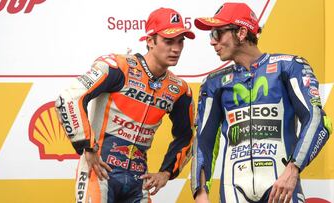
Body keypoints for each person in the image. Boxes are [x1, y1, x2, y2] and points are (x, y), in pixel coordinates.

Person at [191, 2, 332, 203]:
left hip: (280, 187)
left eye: (217, 33)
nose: (213, 41)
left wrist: (293, 169)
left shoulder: (289, 67)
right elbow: (204, 140)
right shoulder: (214, 83)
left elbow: (318, 120)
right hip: (233, 190)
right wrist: (200, 192)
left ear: (241, 32)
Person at [56, 7, 195, 203]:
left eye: (181, 42)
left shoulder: (179, 89)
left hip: (139, 182)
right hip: (99, 173)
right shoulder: (118, 67)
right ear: (150, 40)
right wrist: (88, 147)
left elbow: (186, 136)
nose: (176, 48)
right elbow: (68, 98)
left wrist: (166, 172)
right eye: (168, 41)